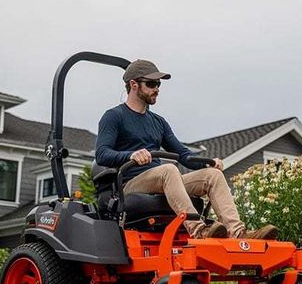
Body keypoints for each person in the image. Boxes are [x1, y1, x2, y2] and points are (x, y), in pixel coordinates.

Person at [95, 59, 277, 240]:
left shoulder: (158, 122)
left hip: (161, 181)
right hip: (130, 185)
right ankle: (199, 230)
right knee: (168, 169)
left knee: (212, 176)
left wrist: (209, 163)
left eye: (158, 84)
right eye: (151, 84)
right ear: (133, 85)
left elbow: (183, 155)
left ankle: (239, 233)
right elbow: (102, 153)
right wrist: (131, 155)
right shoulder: (114, 117)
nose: (156, 89)